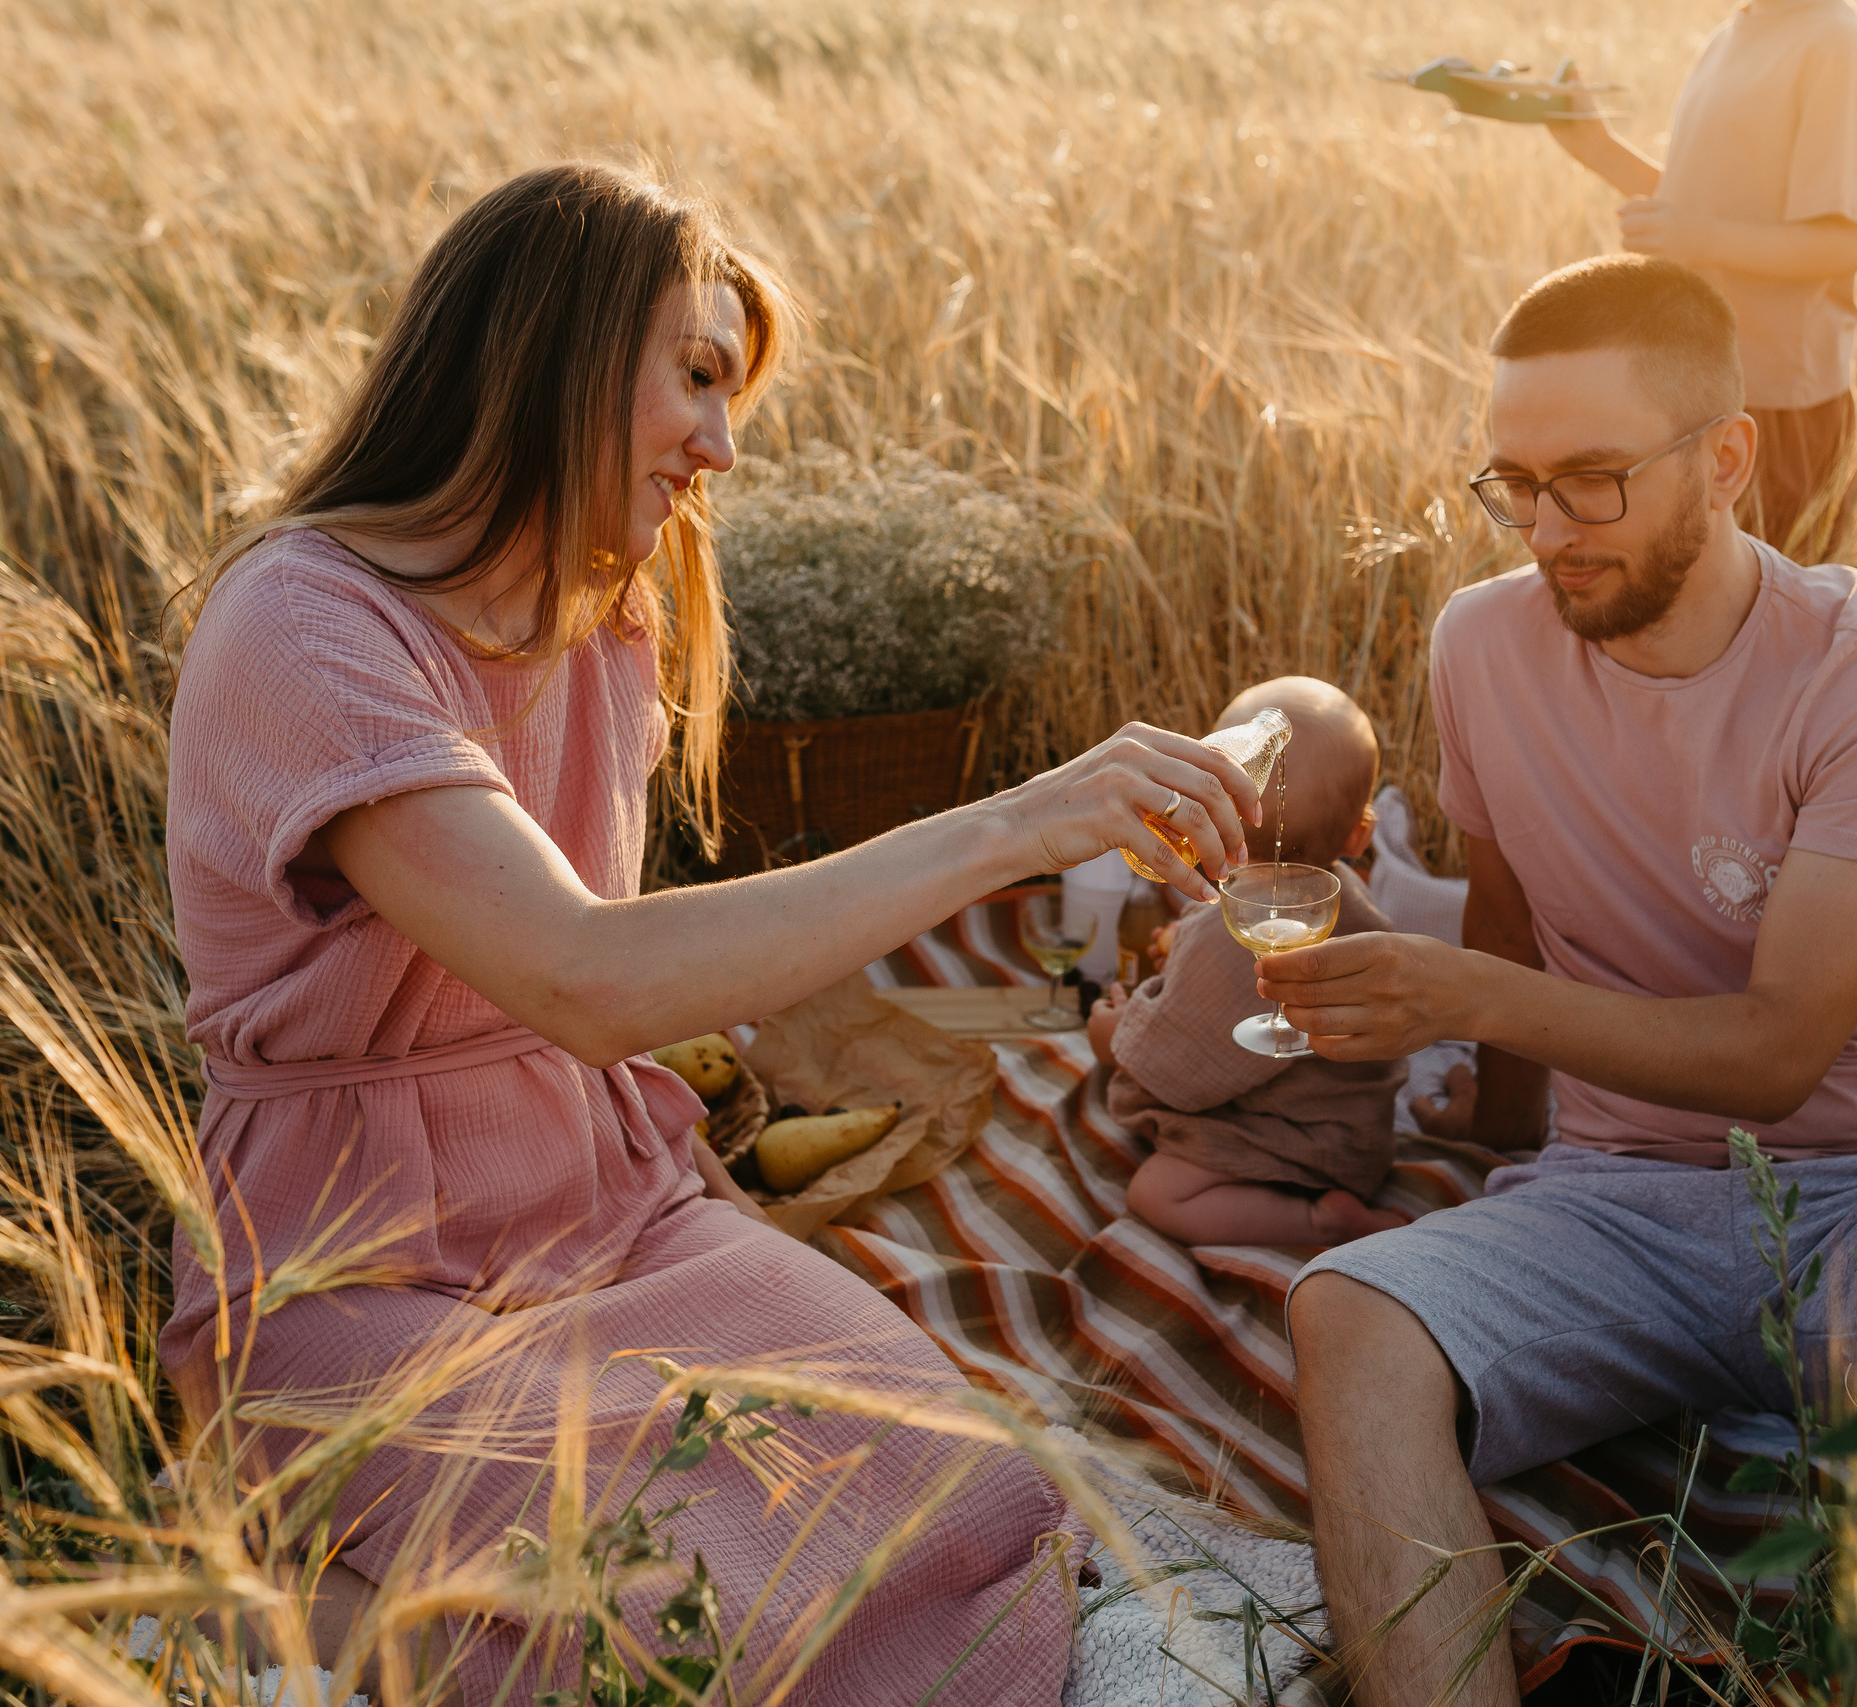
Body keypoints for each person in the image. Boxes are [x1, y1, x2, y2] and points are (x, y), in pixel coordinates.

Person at [163, 161, 1265, 1705]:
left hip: (605, 1204)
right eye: (694, 376)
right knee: (695, 1635)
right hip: (363, 1267)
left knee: (974, 1508)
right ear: (546, 344)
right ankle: (285, 1609)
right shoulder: (308, 627)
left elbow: (602, 987)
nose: (723, 445)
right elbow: (588, 975)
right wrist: (1020, 821)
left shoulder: (601, 613)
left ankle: (387, 1577)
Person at [1257, 255, 1857, 1707]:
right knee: (1349, 1310)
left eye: (1592, 480)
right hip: (1610, 1199)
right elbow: (1513, 906)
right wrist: (1492, 1119)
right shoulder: (1480, 639)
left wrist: (1456, 998)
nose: (1544, 528)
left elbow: (1778, 1052)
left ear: (1727, 459)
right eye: (1513, 482)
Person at [1546, 0, 1857, 553]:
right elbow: (1702, 208)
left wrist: (1696, 238)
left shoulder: (1833, 43)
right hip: (1696, 382)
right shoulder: (1737, 30)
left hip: (1777, 399)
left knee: (1775, 621)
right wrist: (1597, 148)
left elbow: (1843, 242)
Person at [1088, 677, 1409, 1248]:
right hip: (1358, 1139)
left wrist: (1116, 1037)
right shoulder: (1349, 908)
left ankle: (1318, 1224)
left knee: (1158, 1193)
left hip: (1287, 1142)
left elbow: (1179, 1061)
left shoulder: (1230, 930)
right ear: (1360, 835)